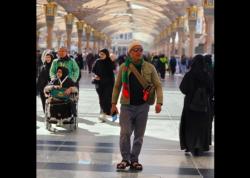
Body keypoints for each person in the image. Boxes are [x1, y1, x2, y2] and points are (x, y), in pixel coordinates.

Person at [111, 40, 163, 170]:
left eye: (140, 50)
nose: (138, 52)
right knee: (125, 132)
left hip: (143, 106)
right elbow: (117, 86)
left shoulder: (150, 67)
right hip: (126, 105)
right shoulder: (124, 67)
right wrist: (113, 104)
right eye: (135, 50)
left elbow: (158, 85)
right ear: (129, 53)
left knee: (139, 135)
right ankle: (125, 159)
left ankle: (134, 160)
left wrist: (159, 102)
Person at [179, 54, 213, 156]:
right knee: (202, 126)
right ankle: (201, 145)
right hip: (204, 105)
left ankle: (189, 145)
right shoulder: (206, 75)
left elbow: (183, 88)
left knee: (190, 125)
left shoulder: (189, 75)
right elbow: (211, 90)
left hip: (190, 104)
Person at [92, 49, 116, 122]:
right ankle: (105, 113)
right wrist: (95, 76)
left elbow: (113, 70)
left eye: (103, 54)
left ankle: (109, 114)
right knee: (101, 99)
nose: (101, 55)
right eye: (100, 54)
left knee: (107, 99)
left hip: (108, 83)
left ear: (106, 54)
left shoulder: (109, 62)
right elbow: (93, 71)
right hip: (99, 84)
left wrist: (113, 60)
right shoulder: (97, 61)